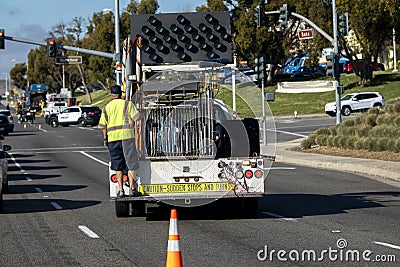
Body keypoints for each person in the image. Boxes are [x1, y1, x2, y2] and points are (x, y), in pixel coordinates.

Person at [99, 84, 142, 198]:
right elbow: (138, 118)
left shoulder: (106, 107)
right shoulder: (128, 104)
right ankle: (132, 189)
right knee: (131, 164)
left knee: (117, 165)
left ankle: (121, 190)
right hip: (127, 138)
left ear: (112, 95)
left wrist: (105, 140)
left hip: (113, 140)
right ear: (121, 94)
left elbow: (103, 126)